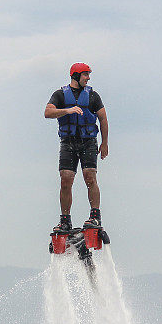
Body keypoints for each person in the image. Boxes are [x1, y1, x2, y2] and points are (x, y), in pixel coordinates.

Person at [44, 62, 109, 232]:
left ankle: (95, 216)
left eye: (88, 75)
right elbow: (48, 112)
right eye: (85, 75)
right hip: (68, 142)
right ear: (75, 76)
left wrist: (104, 143)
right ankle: (65, 220)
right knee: (65, 180)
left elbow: (103, 118)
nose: (88, 78)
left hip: (88, 141)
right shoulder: (60, 95)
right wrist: (67, 111)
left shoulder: (93, 96)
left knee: (90, 177)